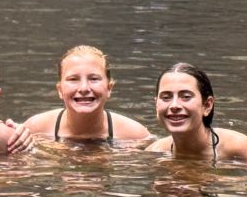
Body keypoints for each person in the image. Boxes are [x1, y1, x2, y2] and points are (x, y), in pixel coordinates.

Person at [20, 45, 151, 143]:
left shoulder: (136, 136)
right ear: (60, 90)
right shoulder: (35, 130)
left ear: (109, 88)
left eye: (94, 79)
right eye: (73, 79)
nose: (84, 88)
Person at [148, 62, 247, 163]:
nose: (174, 106)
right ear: (156, 104)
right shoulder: (155, 152)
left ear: (207, 105)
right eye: (166, 97)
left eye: (186, 96)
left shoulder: (236, 147)